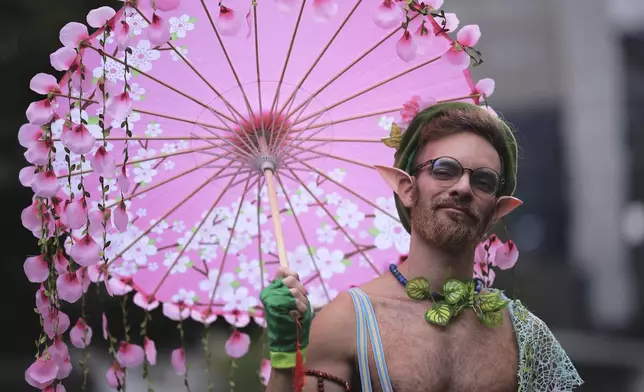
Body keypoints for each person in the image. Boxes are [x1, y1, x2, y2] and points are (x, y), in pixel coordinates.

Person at [260, 102, 584, 392]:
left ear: (496, 213)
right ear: (406, 188)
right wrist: (284, 358)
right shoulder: (347, 322)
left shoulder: (525, 338)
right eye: (444, 169)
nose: (462, 187)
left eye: (483, 181)